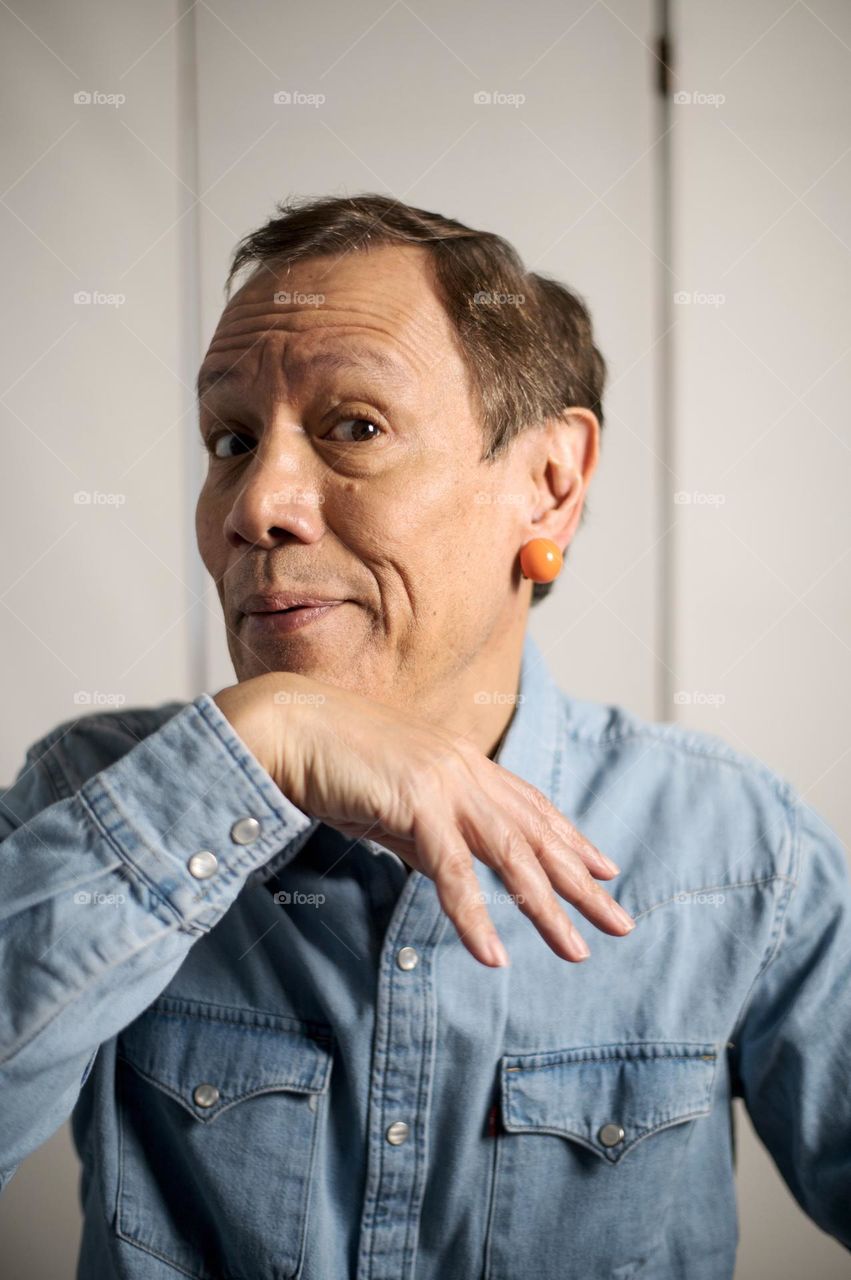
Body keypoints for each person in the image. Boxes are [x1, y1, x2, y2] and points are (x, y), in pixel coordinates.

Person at [1, 193, 849, 1280]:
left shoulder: (738, 853)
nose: (255, 504)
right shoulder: (91, 796)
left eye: (353, 426)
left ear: (549, 484)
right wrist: (253, 741)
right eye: (229, 437)